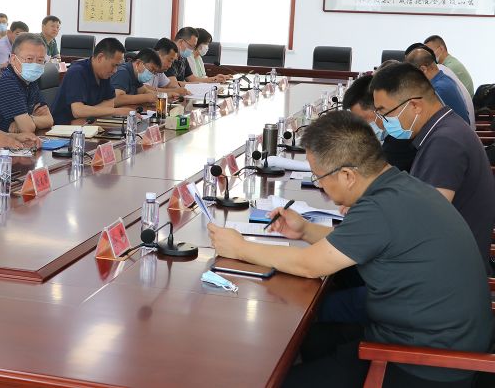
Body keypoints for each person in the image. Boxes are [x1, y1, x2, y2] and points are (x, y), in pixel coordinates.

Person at [208, 111, 492, 388]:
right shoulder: (400, 187)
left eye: (319, 177)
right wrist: (305, 230)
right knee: (312, 338)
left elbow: (309, 265)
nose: (320, 185)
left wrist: (239, 247)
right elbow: (360, 241)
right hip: (430, 340)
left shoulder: (379, 207)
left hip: (423, 365)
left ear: (347, 175)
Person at [370, 62, 495, 270]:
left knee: (342, 283)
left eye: (385, 113)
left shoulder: (445, 143)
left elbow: (423, 222)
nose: (381, 122)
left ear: (415, 106)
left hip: (446, 273)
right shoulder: (444, 129)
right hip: (443, 261)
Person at [0, 34, 53, 134]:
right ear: (13, 59)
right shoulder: (5, 80)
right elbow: (28, 128)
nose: (35, 65)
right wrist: (31, 121)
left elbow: (49, 120)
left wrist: (29, 119)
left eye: (40, 60)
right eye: (29, 59)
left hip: (13, 138)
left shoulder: (30, 80)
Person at [342, 74, 416, 171]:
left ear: (379, 108)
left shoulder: (398, 143)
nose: (362, 126)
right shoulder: (400, 133)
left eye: (363, 119)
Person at [51, 38, 133, 124]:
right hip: (63, 126)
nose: (115, 70)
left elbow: (110, 103)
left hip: (87, 122)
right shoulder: (77, 72)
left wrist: (88, 113)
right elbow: (78, 111)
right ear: (100, 58)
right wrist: (116, 111)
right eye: (114, 65)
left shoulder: (104, 74)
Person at [403, 44, 470, 124]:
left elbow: (422, 121)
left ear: (423, 69)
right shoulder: (445, 79)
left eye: (412, 75)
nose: (413, 80)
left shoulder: (437, 90)